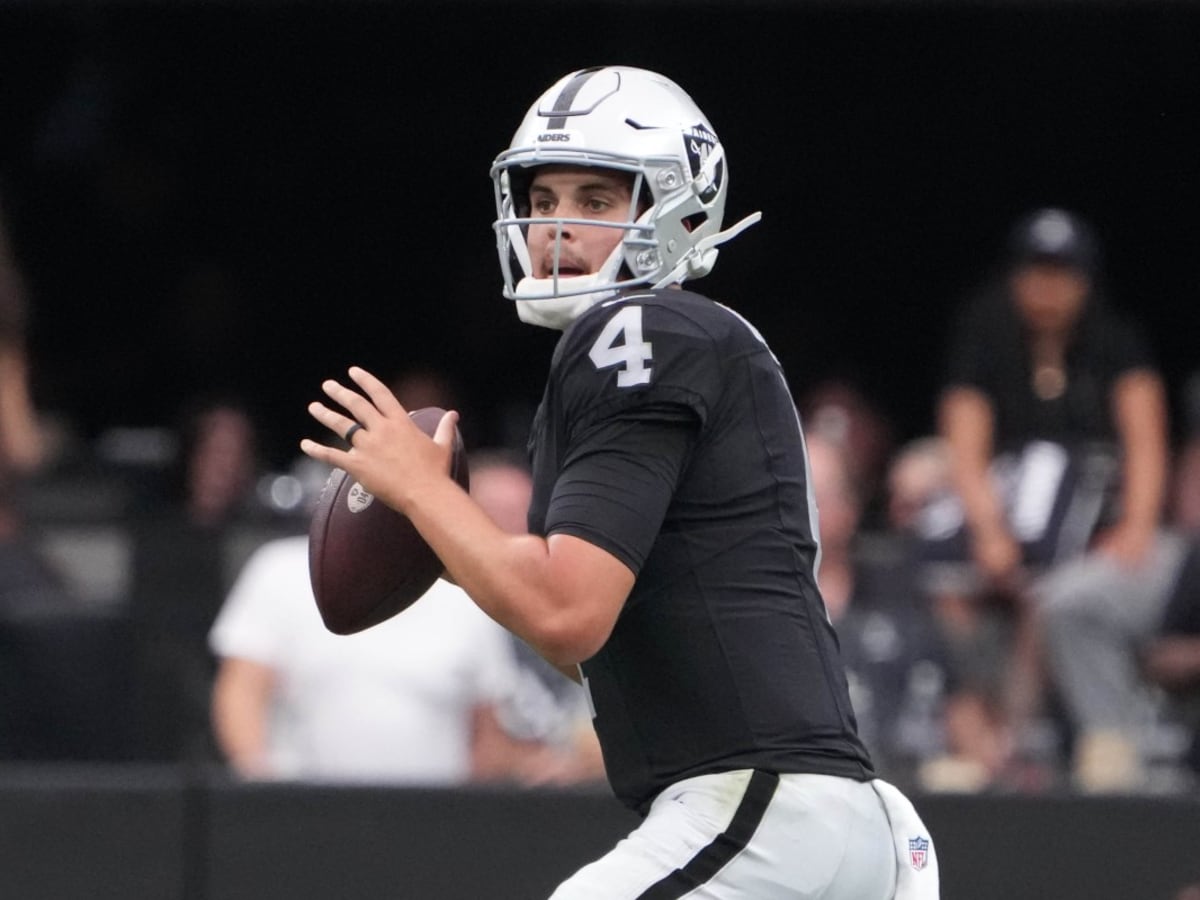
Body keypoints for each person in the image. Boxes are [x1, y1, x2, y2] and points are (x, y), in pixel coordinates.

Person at [301, 66, 938, 898]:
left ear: (675, 211)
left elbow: (567, 619)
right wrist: (461, 551)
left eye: (596, 202)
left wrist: (425, 493)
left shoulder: (636, 329)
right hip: (822, 820)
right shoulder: (674, 342)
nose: (555, 224)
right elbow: (608, 649)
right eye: (543, 197)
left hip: (761, 812)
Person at [936, 207, 1184, 792]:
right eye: (1035, 272)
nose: (1047, 288)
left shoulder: (1118, 341)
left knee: (1055, 599)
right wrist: (990, 532)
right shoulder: (986, 336)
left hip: (1095, 533)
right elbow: (964, 445)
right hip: (1011, 523)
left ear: (1087, 281)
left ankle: (1031, 745)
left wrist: (1139, 526)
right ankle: (977, 740)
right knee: (952, 590)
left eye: (1063, 274)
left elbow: (1147, 444)